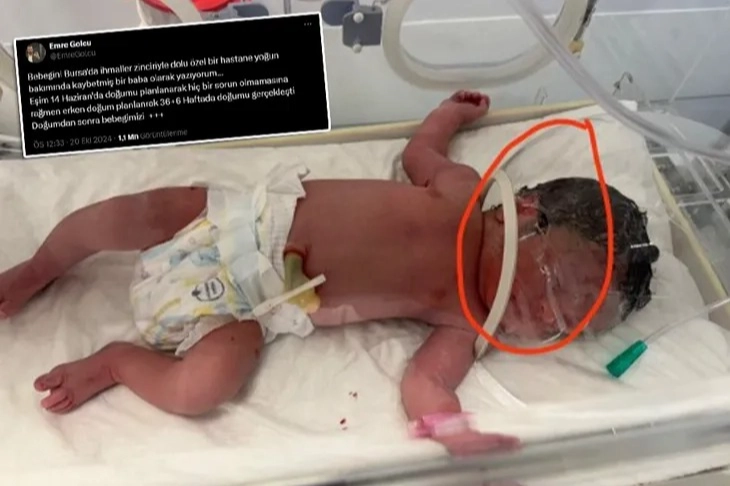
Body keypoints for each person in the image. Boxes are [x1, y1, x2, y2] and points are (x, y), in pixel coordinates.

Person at [0, 91, 659, 456]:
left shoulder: (465, 321)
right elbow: (421, 152)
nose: (546, 317)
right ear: (526, 211)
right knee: (137, 212)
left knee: (205, 388)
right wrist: (448, 116)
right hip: (230, 223)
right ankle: (39, 267)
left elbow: (425, 384)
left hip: (244, 310)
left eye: (570, 324)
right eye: (559, 289)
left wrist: (454, 431)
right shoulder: (463, 192)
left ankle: (117, 364)